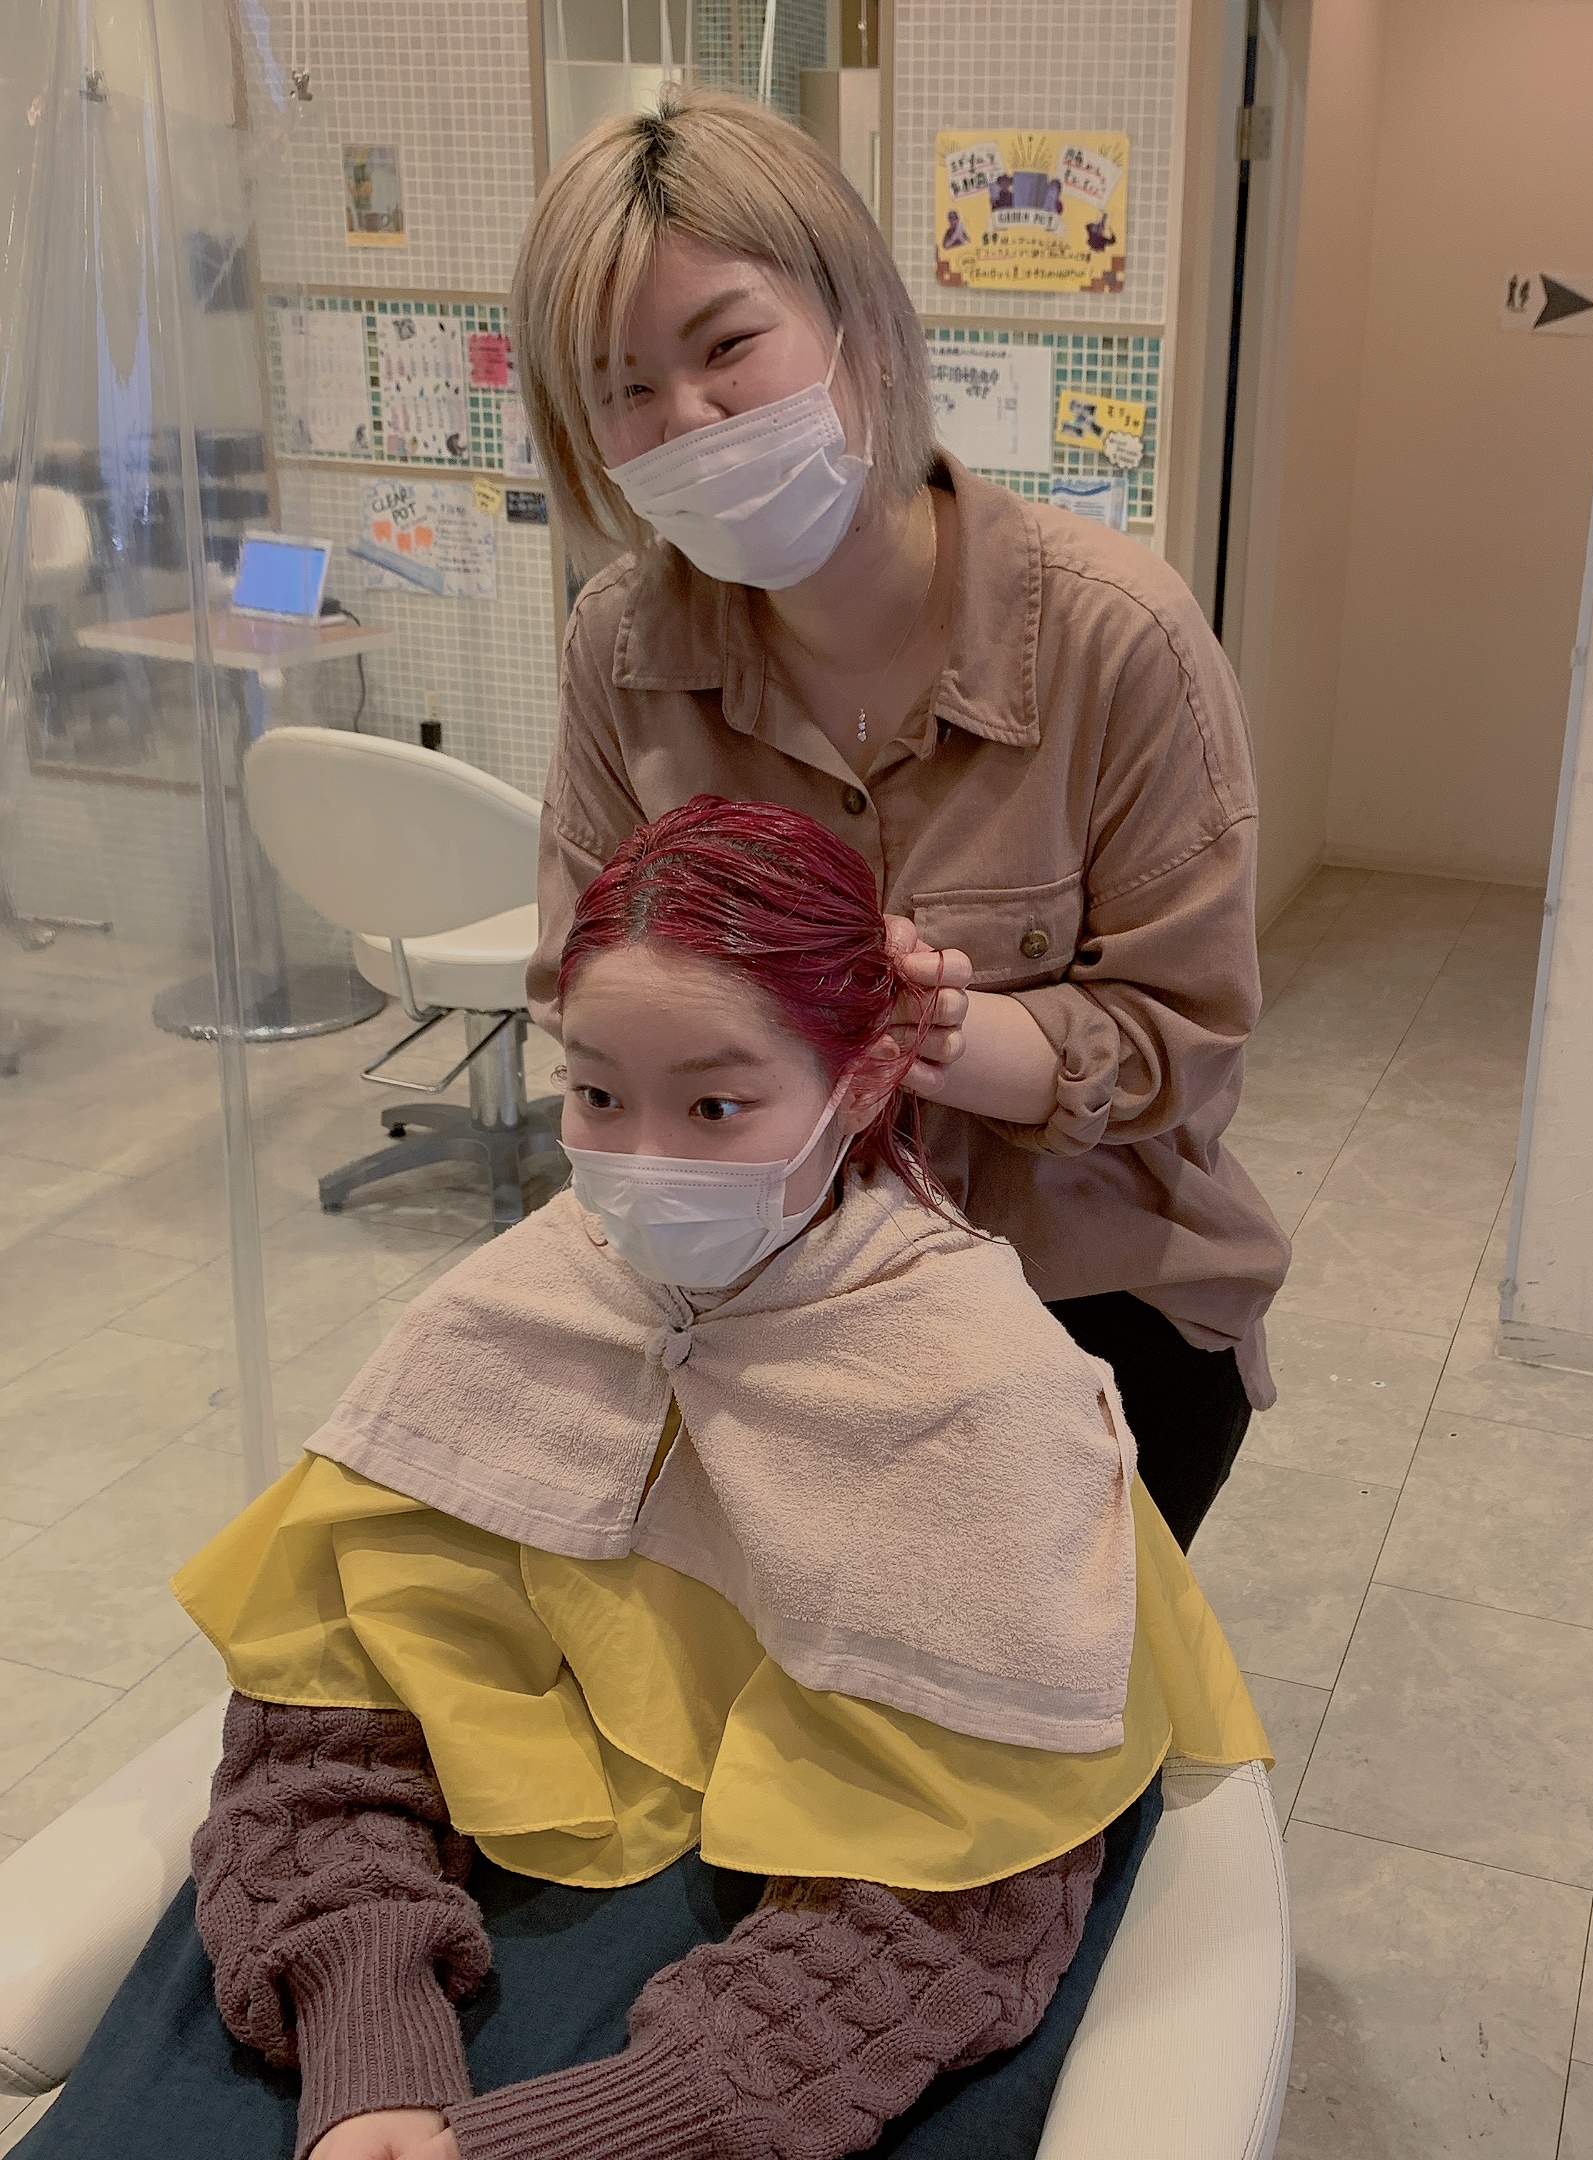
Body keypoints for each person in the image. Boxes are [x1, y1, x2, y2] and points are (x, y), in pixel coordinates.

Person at [23, 798, 1267, 2160]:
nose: (639, 1162)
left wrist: (616, 2124)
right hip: (445, 1889)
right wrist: (367, 2023)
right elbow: (330, 1720)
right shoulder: (516, 1308)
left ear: (861, 1083)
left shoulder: (985, 1393)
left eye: (715, 1106)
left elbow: (956, 1905)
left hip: (815, 1985)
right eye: (597, 1094)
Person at [509, 89, 1289, 1550]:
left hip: (1084, 1294)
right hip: (762, 1286)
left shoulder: (1115, 638)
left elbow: (1183, 1036)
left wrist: (936, 1033)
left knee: (1022, 1675)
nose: (687, 419)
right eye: (623, 387)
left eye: (726, 348)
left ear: (861, 328)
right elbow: (583, 985)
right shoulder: (622, 648)